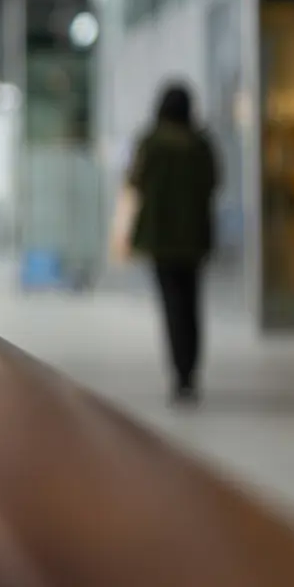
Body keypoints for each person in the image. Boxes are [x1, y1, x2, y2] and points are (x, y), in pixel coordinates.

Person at [119, 83, 219, 403]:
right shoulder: (200, 143)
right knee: (192, 305)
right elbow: (215, 181)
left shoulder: (151, 143)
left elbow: (134, 180)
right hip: (194, 238)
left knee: (172, 306)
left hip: (161, 239)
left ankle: (179, 374)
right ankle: (191, 370)